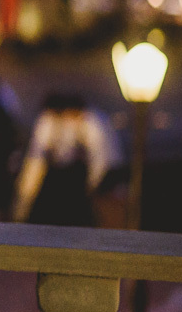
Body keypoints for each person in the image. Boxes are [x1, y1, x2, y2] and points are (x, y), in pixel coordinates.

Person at [11, 91, 121, 226]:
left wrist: (93, 188)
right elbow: (35, 163)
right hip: (53, 192)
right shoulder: (48, 120)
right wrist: (22, 205)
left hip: (80, 193)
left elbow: (101, 161)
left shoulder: (92, 122)